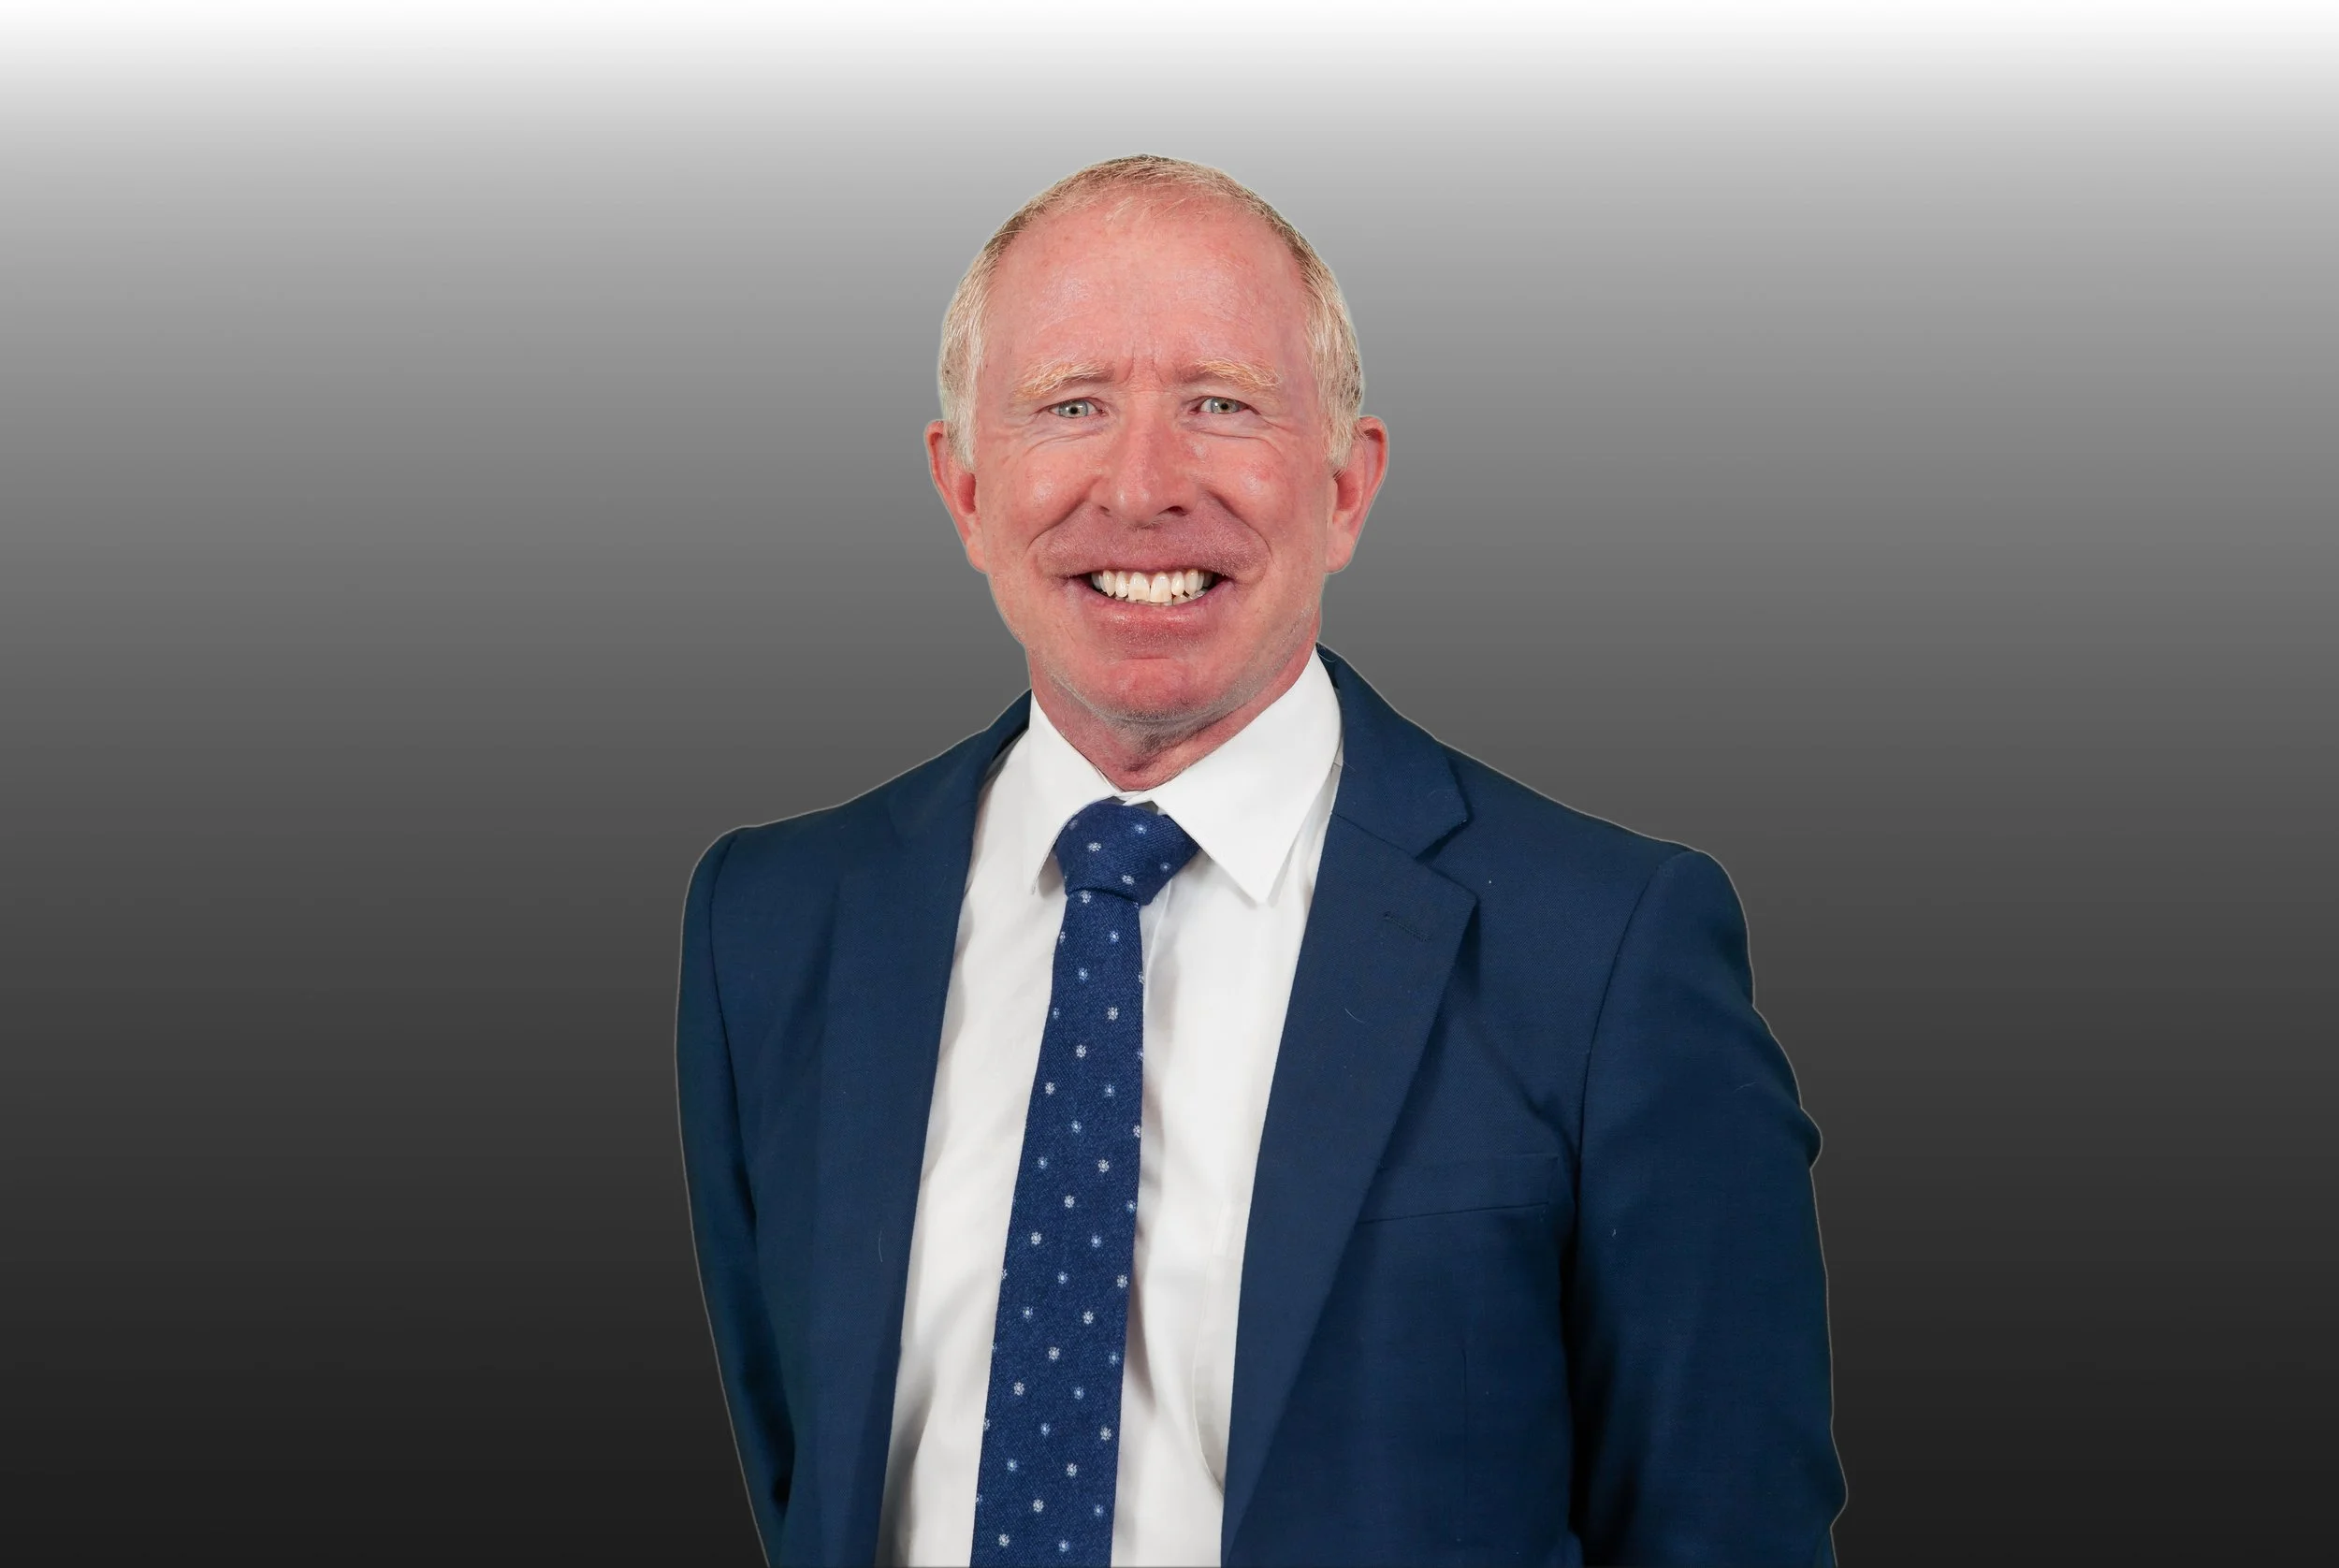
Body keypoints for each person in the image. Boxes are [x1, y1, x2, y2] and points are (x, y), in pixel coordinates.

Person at [676, 155, 1843, 1568]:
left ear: (1347, 488)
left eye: (1221, 404)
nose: (1145, 484)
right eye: (1071, 406)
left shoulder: (1607, 952)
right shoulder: (777, 925)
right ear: (965, 488)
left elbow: (1729, 1532)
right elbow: (801, 1468)